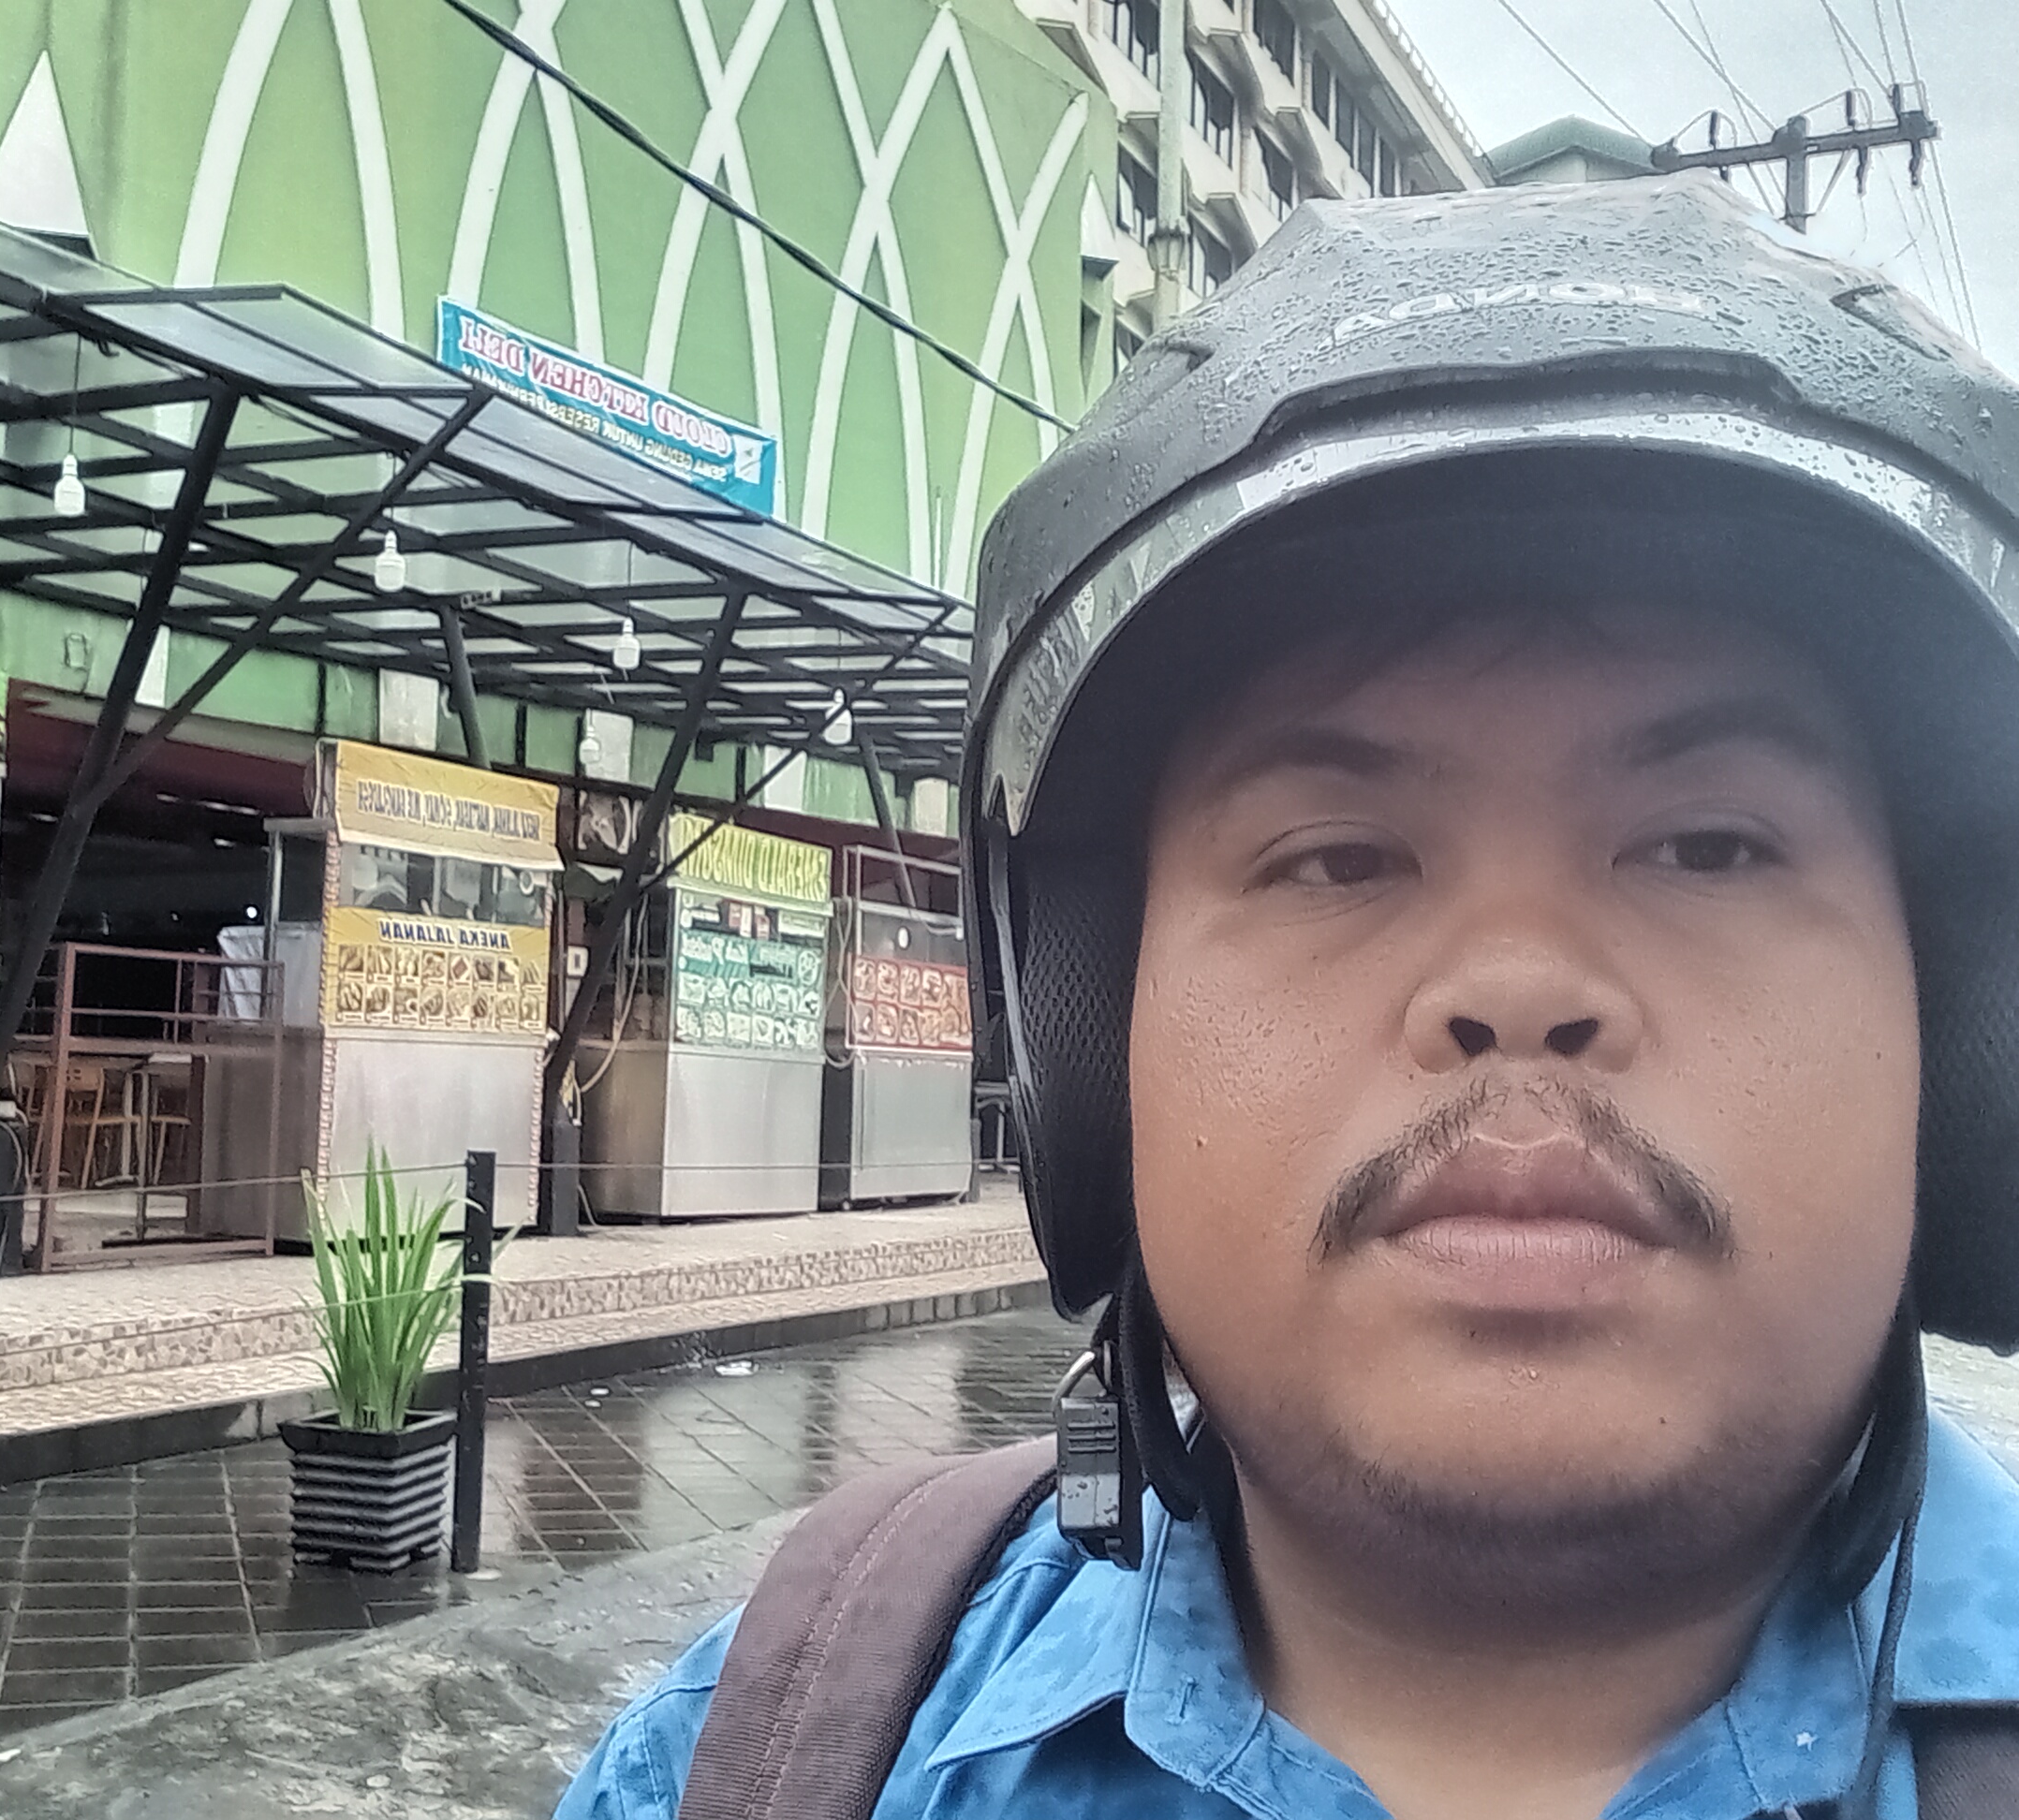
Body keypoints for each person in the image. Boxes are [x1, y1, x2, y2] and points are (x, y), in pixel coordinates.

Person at [553, 174, 2019, 1820]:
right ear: (1083, 1041)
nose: (1517, 987)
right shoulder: (764, 1754)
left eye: (1707, 845)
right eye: (1338, 860)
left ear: (1966, 1029)